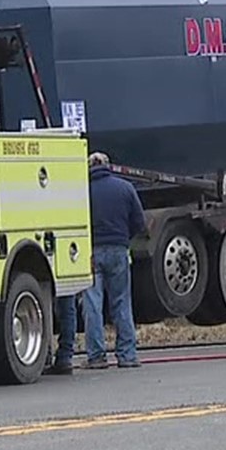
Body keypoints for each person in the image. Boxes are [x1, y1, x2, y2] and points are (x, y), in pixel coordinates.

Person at [76, 152, 147, 369]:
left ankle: (96, 356)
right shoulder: (125, 188)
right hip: (119, 250)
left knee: (92, 304)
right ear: (108, 165)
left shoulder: (82, 191)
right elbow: (140, 222)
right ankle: (127, 355)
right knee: (122, 303)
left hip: (92, 252)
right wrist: (124, 239)